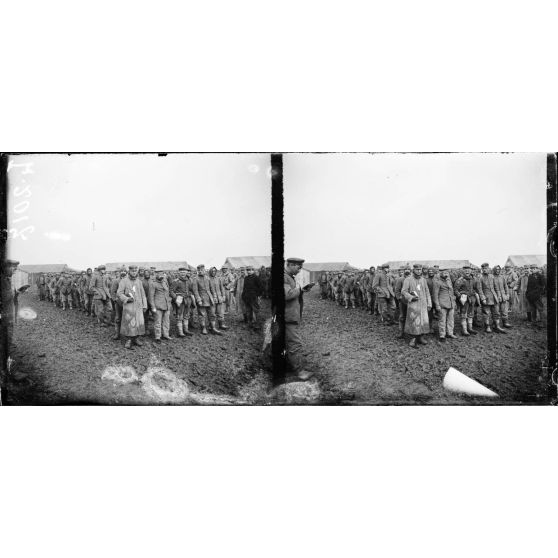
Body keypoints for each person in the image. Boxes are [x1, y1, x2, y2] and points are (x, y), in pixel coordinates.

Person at [284, 257, 314, 380]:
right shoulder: (284, 277)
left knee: (287, 343)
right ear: (290, 265)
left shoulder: (289, 277)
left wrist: (302, 290)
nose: (300, 269)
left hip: (288, 315)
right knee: (294, 344)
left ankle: (288, 368)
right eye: (298, 267)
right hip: (287, 316)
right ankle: (300, 372)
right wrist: (300, 289)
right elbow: (287, 295)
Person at [401, 264, 432, 348]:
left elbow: (427, 292)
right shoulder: (408, 280)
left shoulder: (423, 280)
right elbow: (403, 291)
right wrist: (411, 297)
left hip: (423, 305)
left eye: (420, 269)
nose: (419, 271)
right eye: (417, 269)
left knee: (423, 321)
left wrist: (429, 303)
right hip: (413, 305)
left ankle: (421, 337)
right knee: (414, 322)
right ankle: (413, 340)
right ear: (413, 270)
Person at [117, 265, 147, 349]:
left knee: (138, 323)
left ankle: (136, 338)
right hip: (129, 306)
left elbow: (143, 294)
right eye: (132, 271)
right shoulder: (124, 281)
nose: (134, 272)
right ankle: (129, 340)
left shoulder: (139, 282)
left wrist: (144, 305)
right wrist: (126, 298)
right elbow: (119, 293)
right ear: (129, 271)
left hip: (138, 306)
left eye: (135, 271)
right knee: (129, 323)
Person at [192, 264, 221, 335]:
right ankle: (203, 328)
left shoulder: (207, 278)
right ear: (197, 271)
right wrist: (198, 300)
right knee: (202, 314)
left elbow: (212, 289)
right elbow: (195, 291)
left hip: (210, 298)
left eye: (202, 270)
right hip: (201, 299)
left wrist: (214, 297)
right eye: (199, 270)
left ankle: (213, 328)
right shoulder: (195, 279)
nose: (201, 271)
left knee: (212, 314)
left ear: (204, 270)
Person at [478, 262, 506, 333]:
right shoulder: (480, 277)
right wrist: (483, 298)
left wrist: (499, 296)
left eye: (486, 268)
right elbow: (480, 289)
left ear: (489, 268)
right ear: (482, 269)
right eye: (483, 268)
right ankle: (487, 326)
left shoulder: (492, 276)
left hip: (494, 297)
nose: (485, 270)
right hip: (486, 298)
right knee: (486, 313)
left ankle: (497, 326)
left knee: (496, 312)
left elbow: (496, 287)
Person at [148, 269, 174, 342]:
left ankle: (166, 335)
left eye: (162, 274)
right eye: (159, 274)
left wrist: (169, 300)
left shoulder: (165, 282)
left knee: (166, 321)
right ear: (156, 275)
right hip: (158, 306)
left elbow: (168, 292)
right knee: (158, 322)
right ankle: (158, 336)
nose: (160, 275)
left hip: (166, 305)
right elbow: (151, 296)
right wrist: (153, 307)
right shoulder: (153, 284)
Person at [433, 268, 457, 341]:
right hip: (442, 304)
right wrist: (437, 305)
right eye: (444, 273)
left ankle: (450, 333)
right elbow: (435, 295)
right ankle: (442, 335)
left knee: (451, 319)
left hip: (451, 303)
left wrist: (454, 302)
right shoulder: (437, 282)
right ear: (440, 274)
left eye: (447, 273)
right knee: (442, 320)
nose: (446, 274)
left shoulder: (449, 281)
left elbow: (451, 292)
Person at [454, 265, 479, 336]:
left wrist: (475, 294)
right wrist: (460, 297)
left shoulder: (474, 279)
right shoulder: (460, 280)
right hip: (464, 299)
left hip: (472, 298)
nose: (467, 271)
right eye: (465, 270)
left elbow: (476, 288)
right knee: (463, 314)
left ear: (471, 271)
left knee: (471, 313)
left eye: (468, 270)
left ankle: (470, 328)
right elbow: (455, 290)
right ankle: (464, 330)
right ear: (463, 271)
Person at [170, 267, 194, 337]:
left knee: (186, 315)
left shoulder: (189, 281)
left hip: (188, 300)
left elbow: (191, 290)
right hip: (180, 301)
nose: (183, 274)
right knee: (179, 316)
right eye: (181, 272)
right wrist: (176, 298)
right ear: (179, 273)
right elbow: (171, 291)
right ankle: (180, 332)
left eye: (184, 272)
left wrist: (190, 295)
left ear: (186, 273)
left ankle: (186, 330)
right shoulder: (176, 281)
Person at [242, 265, 263, 330]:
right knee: (248, 311)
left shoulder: (256, 278)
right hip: (247, 298)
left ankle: (258, 325)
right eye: (248, 270)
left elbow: (261, 287)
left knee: (256, 311)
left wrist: (257, 295)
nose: (249, 271)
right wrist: (243, 295)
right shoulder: (246, 278)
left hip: (253, 298)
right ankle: (250, 323)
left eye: (250, 270)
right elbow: (244, 288)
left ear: (253, 270)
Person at [110, 267, 127, 340]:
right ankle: (117, 333)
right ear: (119, 272)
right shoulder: (116, 281)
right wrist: (115, 299)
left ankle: (127, 334)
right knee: (118, 318)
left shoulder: (128, 281)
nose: (123, 272)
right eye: (121, 271)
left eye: (124, 271)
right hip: (119, 302)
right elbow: (113, 292)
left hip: (127, 302)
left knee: (127, 318)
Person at [209, 266, 228, 331]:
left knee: (220, 312)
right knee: (212, 313)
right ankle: (212, 327)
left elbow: (222, 288)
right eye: (212, 271)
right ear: (210, 271)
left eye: (214, 271)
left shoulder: (218, 279)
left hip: (219, 298)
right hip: (212, 299)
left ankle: (221, 325)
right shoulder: (208, 279)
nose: (213, 272)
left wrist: (223, 296)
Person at [395, 265, 411, 339]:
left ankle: (411, 332)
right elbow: (397, 290)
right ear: (404, 271)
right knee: (402, 317)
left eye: (409, 269)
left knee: (412, 317)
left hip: (412, 301)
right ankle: (401, 332)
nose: (407, 270)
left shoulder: (413, 279)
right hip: (403, 301)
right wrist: (400, 298)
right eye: (406, 269)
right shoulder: (400, 279)